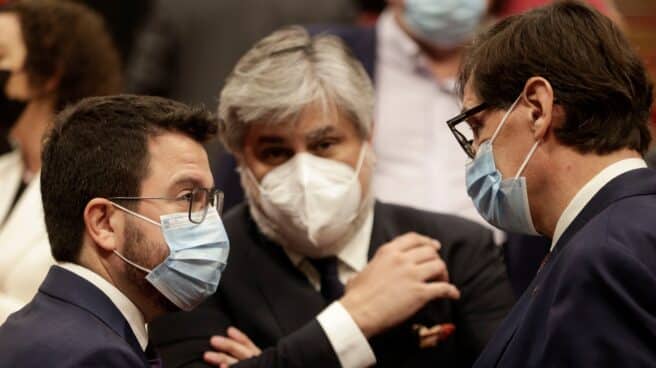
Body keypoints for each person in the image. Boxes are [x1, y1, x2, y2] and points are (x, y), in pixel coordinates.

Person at [149, 26, 515, 368]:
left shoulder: (456, 249)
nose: (304, 173)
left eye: (324, 145)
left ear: (367, 137)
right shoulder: (198, 266)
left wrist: (274, 360)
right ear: (241, 158)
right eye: (275, 152)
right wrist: (351, 321)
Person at [447, 2, 656, 366]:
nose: (476, 152)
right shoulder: (625, 229)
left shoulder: (603, 257)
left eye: (478, 127)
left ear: (537, 109)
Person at [0, 95, 229, 367]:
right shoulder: (96, 356)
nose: (211, 222)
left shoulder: (42, 325)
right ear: (104, 223)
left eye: (209, 200)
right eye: (189, 197)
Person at [0, 0, 121, 324]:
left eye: (0, 56)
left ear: (49, 72)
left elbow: (76, 315)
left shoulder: (94, 184)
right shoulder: (6, 170)